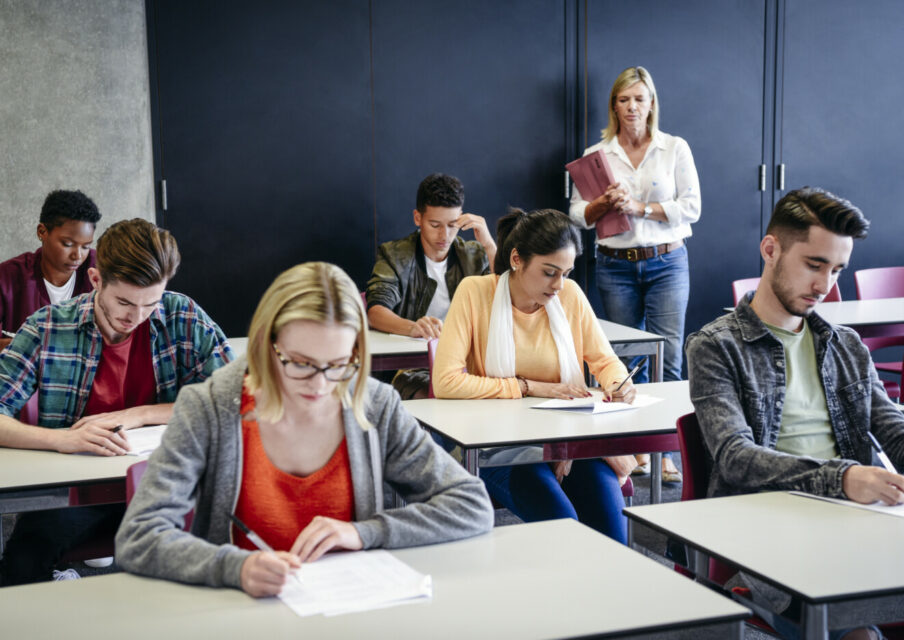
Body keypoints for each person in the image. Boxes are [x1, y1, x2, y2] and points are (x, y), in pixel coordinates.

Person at [116, 262, 493, 596]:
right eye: (300, 363)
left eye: (338, 364)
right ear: (267, 343)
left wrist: (366, 532)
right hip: (241, 612)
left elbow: (471, 505)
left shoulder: (374, 404)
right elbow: (139, 536)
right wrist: (234, 567)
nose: (319, 384)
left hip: (349, 606)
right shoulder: (209, 407)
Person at [686, 187, 903, 640]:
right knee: (857, 634)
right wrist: (841, 478)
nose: (825, 285)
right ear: (771, 249)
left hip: (853, 518)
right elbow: (735, 456)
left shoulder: (845, 345)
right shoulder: (716, 346)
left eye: (837, 269)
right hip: (763, 532)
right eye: (814, 264)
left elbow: (893, 429)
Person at [0, 218, 233, 586]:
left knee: (224, 554)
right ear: (95, 280)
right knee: (22, 566)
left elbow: (234, 398)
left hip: (173, 481)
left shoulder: (182, 314)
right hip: (84, 490)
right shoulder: (47, 327)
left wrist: (138, 415)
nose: (136, 317)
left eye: (149, 303)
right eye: (124, 301)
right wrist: (60, 439)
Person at [432, 208, 637, 544]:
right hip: (500, 447)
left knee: (613, 535)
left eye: (566, 273)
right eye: (549, 273)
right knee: (564, 528)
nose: (558, 285)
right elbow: (447, 381)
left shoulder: (569, 295)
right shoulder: (475, 292)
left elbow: (606, 361)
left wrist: (619, 384)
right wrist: (528, 387)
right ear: (516, 259)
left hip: (568, 442)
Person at [569, 66, 701, 484]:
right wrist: (603, 204)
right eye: (624, 100)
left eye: (639, 99)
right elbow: (577, 215)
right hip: (615, 265)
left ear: (651, 104)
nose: (632, 107)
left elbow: (692, 207)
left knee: (671, 359)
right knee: (624, 362)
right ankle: (632, 448)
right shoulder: (598, 154)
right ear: (614, 106)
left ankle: (667, 453)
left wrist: (639, 208)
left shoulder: (674, 147)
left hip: (667, 262)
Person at [366, 173, 496, 399]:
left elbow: (506, 299)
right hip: (415, 368)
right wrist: (412, 327)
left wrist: (490, 246)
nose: (444, 235)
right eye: (435, 224)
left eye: (452, 225)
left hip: (470, 364)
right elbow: (375, 312)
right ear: (418, 218)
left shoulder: (475, 255)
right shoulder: (396, 256)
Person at [0, 189, 101, 350]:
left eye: (86, 246)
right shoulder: (8, 278)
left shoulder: (100, 271)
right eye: (67, 244)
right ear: (42, 232)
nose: (77, 256)